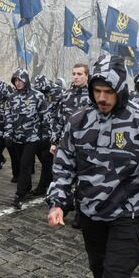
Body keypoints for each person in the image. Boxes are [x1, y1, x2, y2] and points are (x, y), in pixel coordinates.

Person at [46, 55, 139, 278]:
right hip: (92, 214)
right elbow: (64, 164)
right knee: (99, 269)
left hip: (128, 216)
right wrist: (58, 202)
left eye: (109, 92)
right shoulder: (78, 121)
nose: (102, 98)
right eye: (97, 91)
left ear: (121, 90)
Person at [50, 63, 91, 228]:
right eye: (74, 73)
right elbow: (58, 120)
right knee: (62, 175)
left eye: (80, 74)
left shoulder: (92, 96)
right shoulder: (66, 95)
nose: (76, 77)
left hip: (86, 144)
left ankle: (81, 213)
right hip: (67, 145)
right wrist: (54, 142)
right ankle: (63, 205)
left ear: (87, 76)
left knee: (83, 180)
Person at [4, 68, 50, 209]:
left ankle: (20, 195)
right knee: (20, 163)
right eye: (15, 80)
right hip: (17, 138)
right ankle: (27, 186)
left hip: (33, 137)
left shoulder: (37, 96)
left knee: (25, 165)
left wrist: (45, 135)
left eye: (20, 80)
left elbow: (45, 116)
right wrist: (8, 134)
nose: (17, 83)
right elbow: (9, 117)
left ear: (26, 80)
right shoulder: (11, 97)